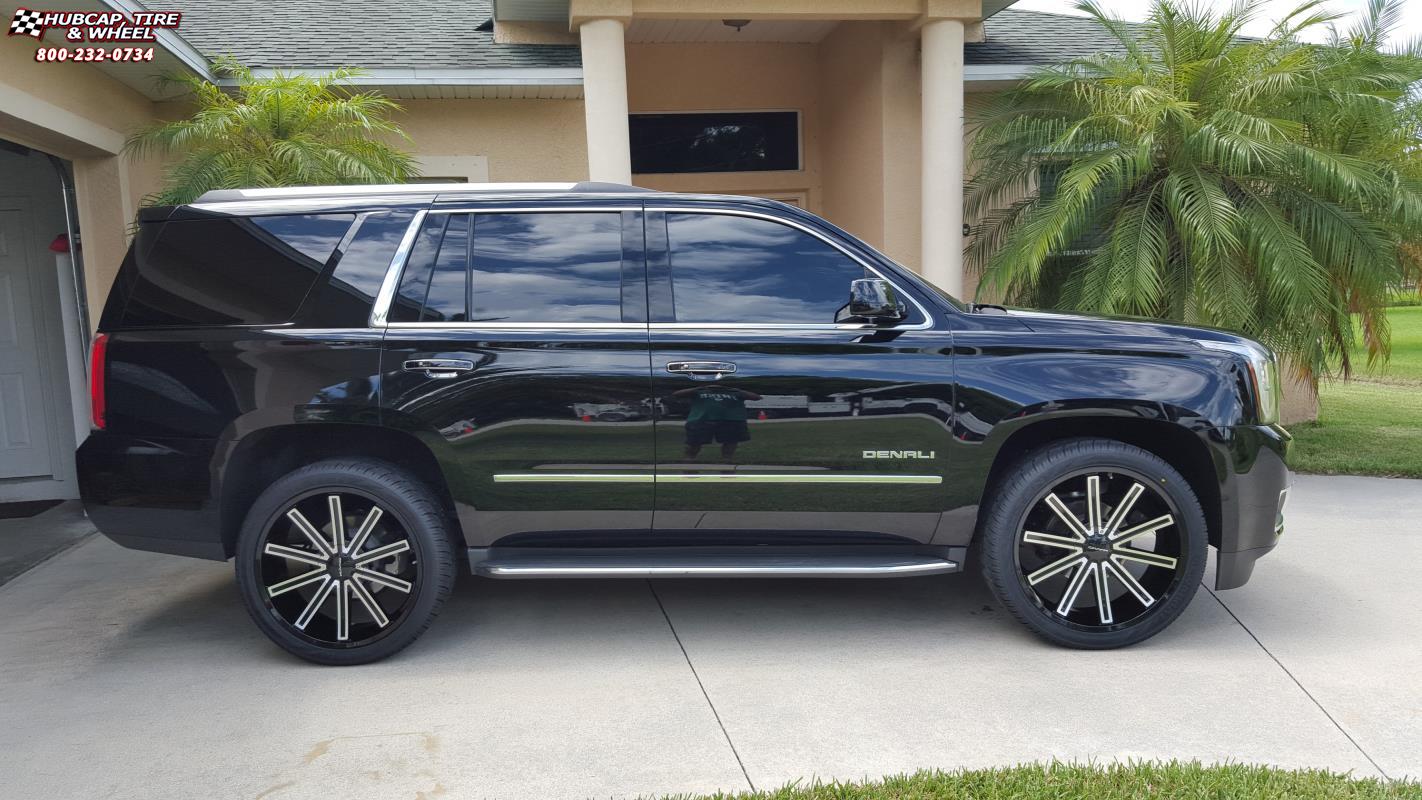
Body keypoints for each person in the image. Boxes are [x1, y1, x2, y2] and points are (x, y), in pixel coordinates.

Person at [673, 384, 763, 461]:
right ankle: (689, 466)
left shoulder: (734, 392)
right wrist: (699, 388)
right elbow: (677, 394)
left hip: (731, 421)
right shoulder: (699, 391)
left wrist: (738, 390)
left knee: (730, 445)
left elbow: (757, 397)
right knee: (693, 446)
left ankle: (726, 467)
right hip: (701, 420)